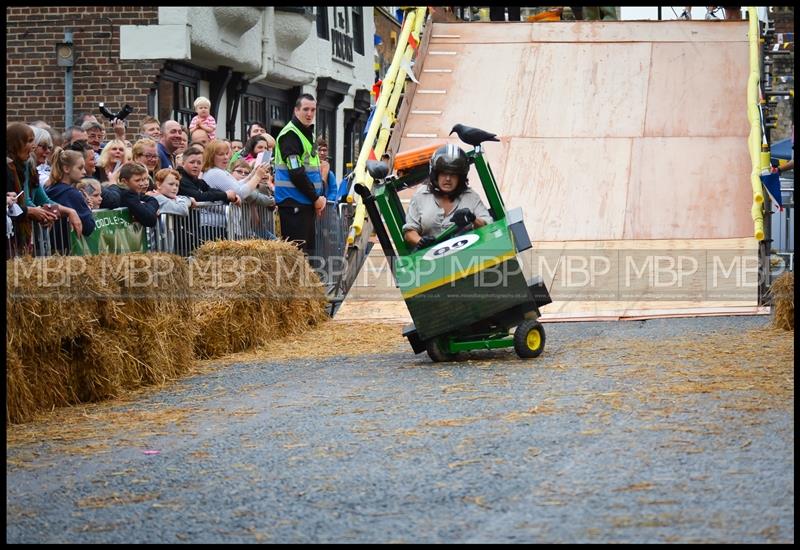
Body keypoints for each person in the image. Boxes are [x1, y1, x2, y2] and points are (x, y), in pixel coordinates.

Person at [403, 144, 492, 250]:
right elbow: (409, 232)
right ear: (436, 174)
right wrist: (421, 241)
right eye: (443, 173)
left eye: (453, 174)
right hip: (431, 258)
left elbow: (488, 226)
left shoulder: (470, 197)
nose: (448, 178)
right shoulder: (420, 196)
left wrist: (472, 218)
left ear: (460, 177)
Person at [274, 93, 325, 254]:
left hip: (304, 203)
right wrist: (315, 198)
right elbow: (296, 172)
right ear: (296, 111)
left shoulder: (305, 133)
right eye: (305, 109)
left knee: (307, 256)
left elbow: (311, 170)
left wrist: (317, 198)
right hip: (293, 203)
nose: (309, 114)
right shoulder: (291, 134)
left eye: (313, 110)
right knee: (297, 256)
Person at [7, 122, 65, 254]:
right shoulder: (10, 168)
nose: (33, 147)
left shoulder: (20, 167)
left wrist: (70, 212)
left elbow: (40, 199)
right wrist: (32, 212)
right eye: (29, 141)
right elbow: (23, 202)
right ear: (15, 143)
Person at [45, 147, 96, 252]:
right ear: (66, 169)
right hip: (64, 250)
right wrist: (88, 208)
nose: (84, 172)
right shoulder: (72, 194)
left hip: (49, 248)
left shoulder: (49, 188)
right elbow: (88, 227)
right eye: (80, 168)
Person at [98, 162, 159, 227]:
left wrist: (145, 206)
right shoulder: (128, 195)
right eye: (137, 180)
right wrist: (148, 207)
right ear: (124, 181)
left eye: (143, 179)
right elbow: (150, 220)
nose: (142, 183)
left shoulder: (132, 192)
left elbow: (152, 200)